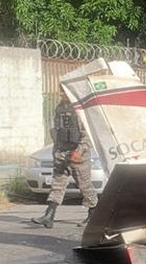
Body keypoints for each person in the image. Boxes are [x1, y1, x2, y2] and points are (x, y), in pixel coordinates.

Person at [31, 88, 97, 229]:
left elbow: (88, 135)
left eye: (63, 91)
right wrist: (57, 150)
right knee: (57, 183)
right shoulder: (60, 107)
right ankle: (49, 216)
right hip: (62, 151)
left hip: (78, 153)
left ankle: (93, 213)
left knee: (84, 186)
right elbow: (56, 130)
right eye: (60, 91)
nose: (60, 94)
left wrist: (78, 152)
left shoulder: (81, 109)